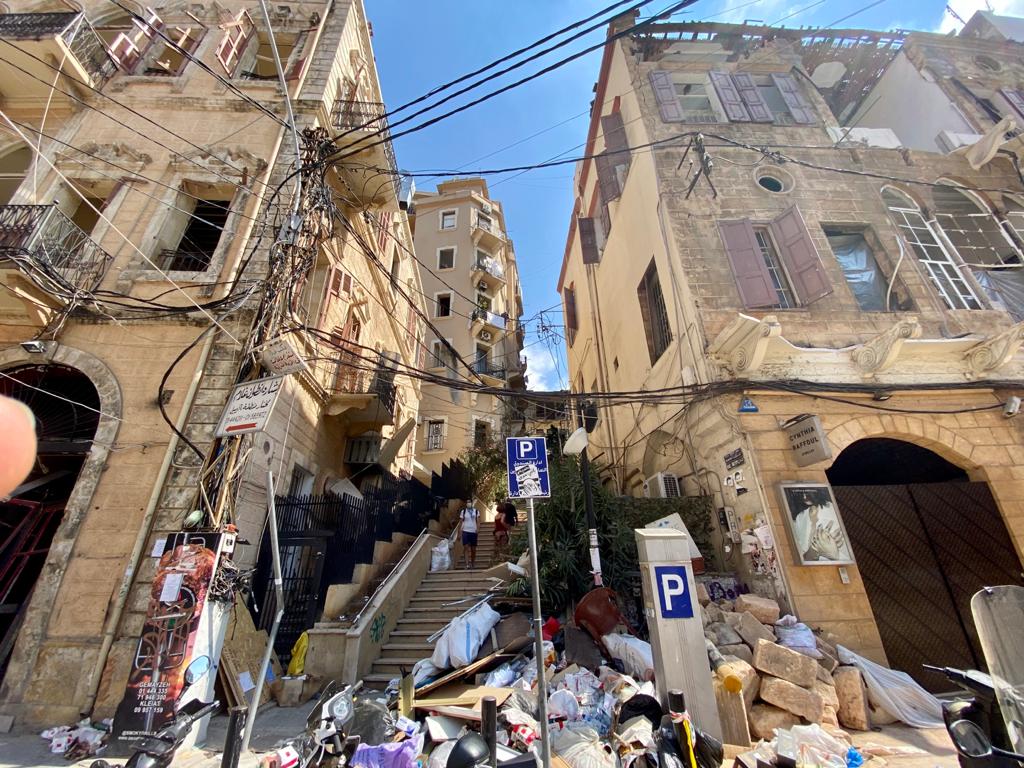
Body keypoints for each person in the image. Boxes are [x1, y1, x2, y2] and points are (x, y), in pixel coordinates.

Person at [459, 499, 480, 569]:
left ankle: (473, 563)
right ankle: (467, 564)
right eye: (467, 502)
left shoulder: (476, 511)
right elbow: (461, 522)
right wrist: (459, 532)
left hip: (473, 531)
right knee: (466, 548)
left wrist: (478, 529)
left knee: (473, 549)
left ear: (471, 503)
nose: (468, 503)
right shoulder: (463, 511)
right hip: (465, 531)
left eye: (469, 502)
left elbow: (478, 521)